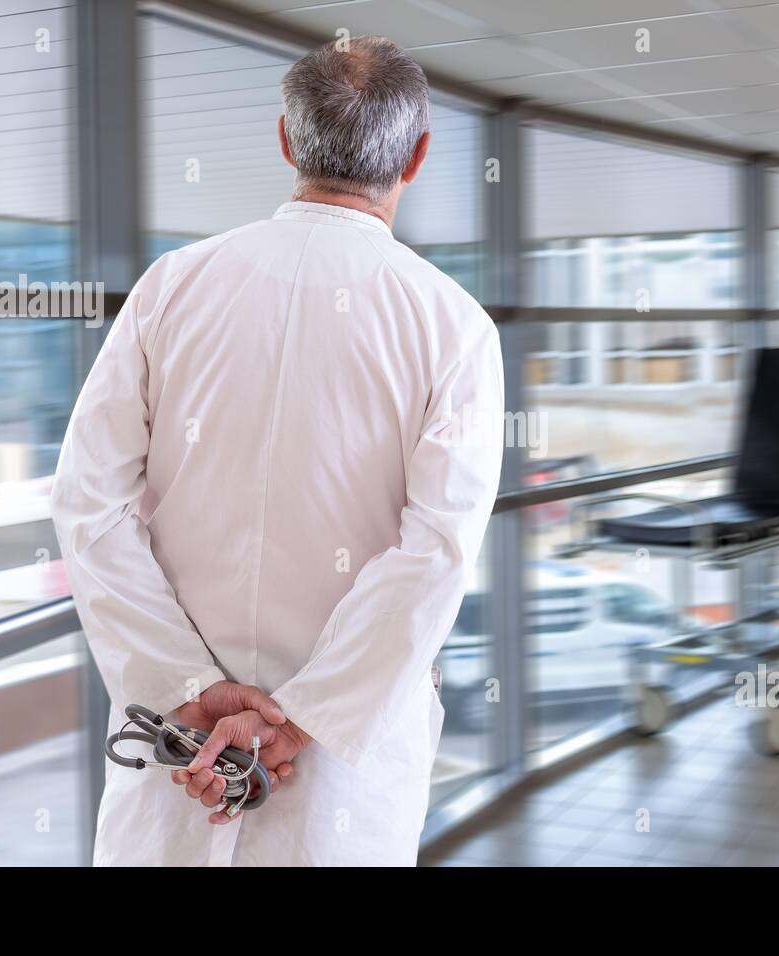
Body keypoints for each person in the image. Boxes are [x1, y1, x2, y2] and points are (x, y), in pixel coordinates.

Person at [51, 35, 504, 866]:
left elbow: (89, 506)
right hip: (336, 783)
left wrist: (185, 686)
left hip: (178, 753)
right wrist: (300, 716)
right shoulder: (454, 328)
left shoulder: (171, 288)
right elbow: (433, 552)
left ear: (288, 142)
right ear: (419, 156)